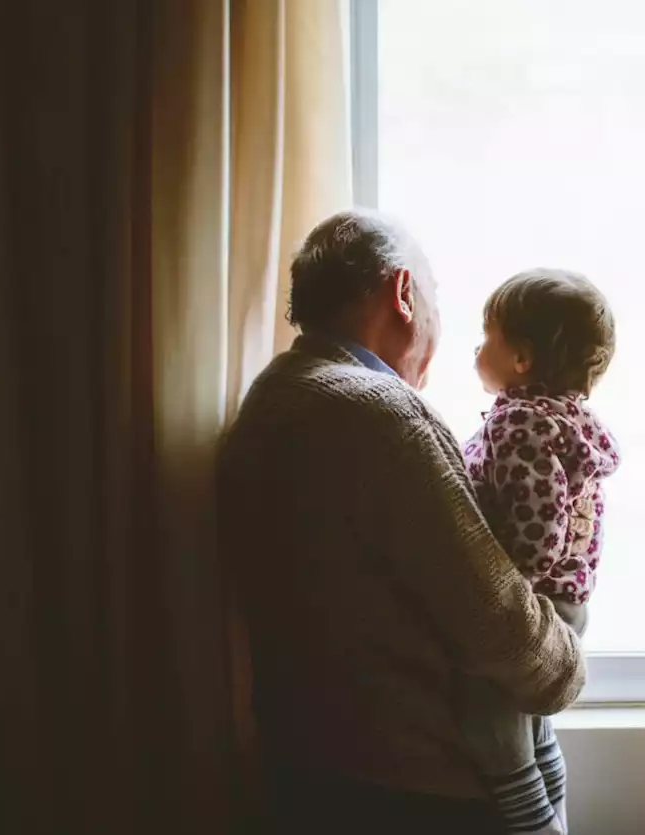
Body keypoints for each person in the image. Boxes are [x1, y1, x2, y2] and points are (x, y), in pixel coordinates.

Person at [216, 211, 586, 834]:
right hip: (416, 793)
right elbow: (498, 624)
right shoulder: (381, 414)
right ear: (402, 295)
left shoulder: (270, 399)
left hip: (304, 774)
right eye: (435, 299)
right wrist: (567, 666)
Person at [460, 270, 620, 833]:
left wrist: (514, 591)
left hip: (537, 601)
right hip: (569, 601)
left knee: (494, 721)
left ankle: (535, 823)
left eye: (486, 337)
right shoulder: (567, 420)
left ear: (521, 359)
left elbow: (538, 513)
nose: (476, 348)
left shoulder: (521, 423)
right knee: (533, 727)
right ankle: (557, 807)